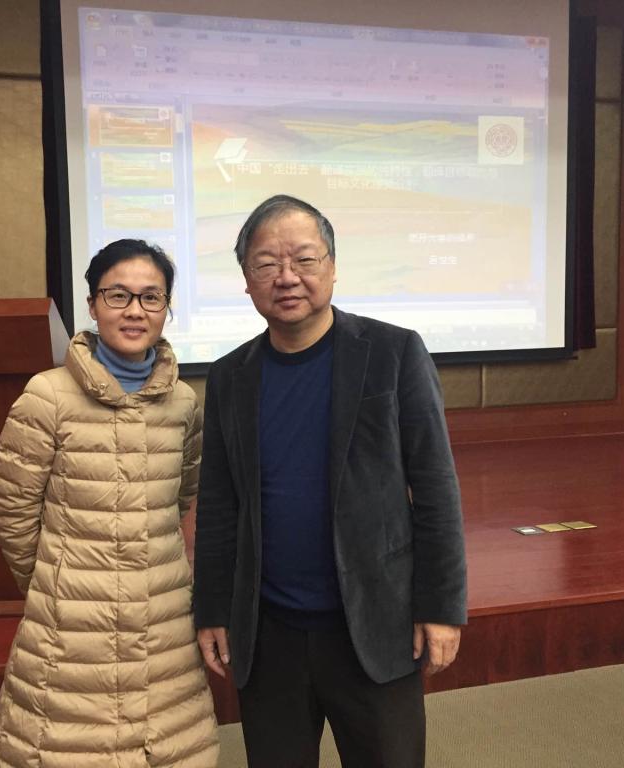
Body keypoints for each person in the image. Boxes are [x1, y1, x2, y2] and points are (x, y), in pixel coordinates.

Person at [193, 195, 467, 767]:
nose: (286, 277)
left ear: (333, 267)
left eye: (304, 259)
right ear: (246, 279)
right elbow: (219, 506)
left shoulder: (393, 353)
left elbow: (436, 489)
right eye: (266, 264)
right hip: (269, 634)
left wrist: (442, 606)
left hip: (373, 624)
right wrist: (213, 608)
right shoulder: (229, 377)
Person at [0, 239, 219, 768]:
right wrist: (57, 582)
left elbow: (180, 497)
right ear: (92, 305)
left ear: (166, 308)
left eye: (151, 297)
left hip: (162, 618)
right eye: (118, 295)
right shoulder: (47, 395)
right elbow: (12, 513)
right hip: (70, 628)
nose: (135, 310)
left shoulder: (183, 403)